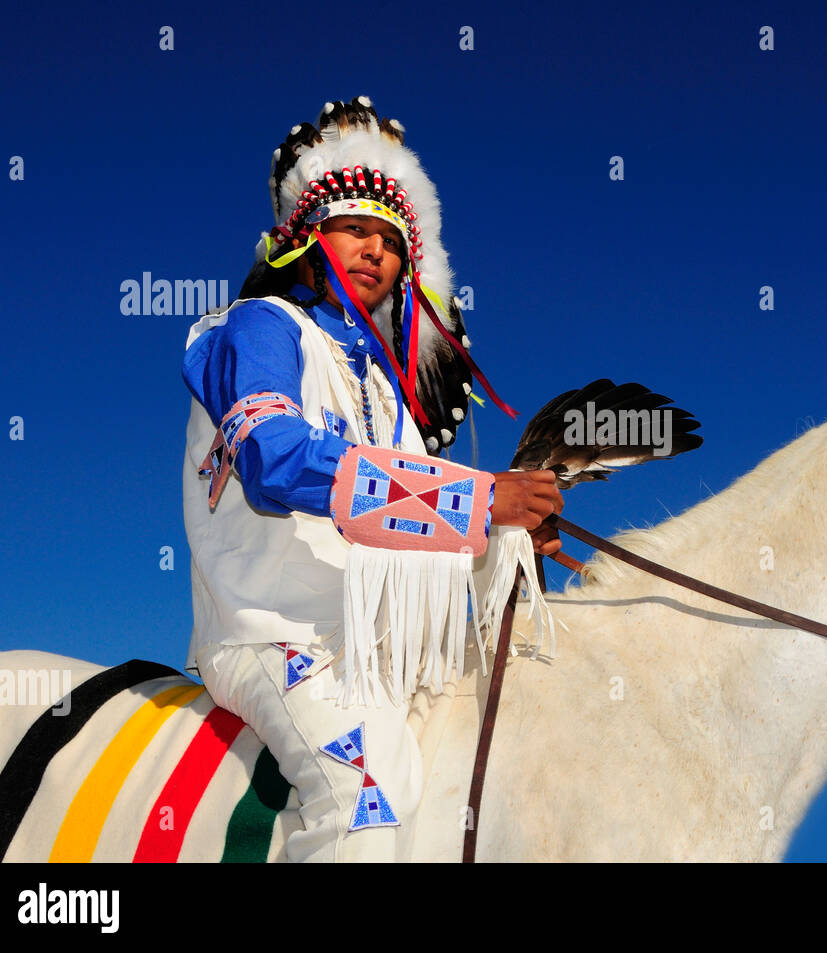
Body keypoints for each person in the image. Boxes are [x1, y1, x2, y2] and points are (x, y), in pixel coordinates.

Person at [180, 96, 560, 861]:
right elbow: (272, 455)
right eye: (356, 228)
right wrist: (480, 499)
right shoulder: (259, 327)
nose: (376, 251)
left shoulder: (388, 392)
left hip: (372, 643)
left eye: (391, 240)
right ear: (308, 237)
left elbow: (421, 523)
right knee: (367, 794)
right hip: (270, 631)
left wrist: (506, 535)